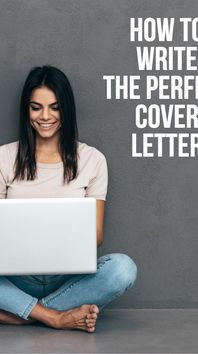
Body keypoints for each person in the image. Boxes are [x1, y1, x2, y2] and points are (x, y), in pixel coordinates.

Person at [0, 65, 137, 332]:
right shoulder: (4, 157)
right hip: (15, 277)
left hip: (67, 277)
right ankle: (54, 316)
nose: (45, 116)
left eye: (55, 107)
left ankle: (23, 312)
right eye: (36, 107)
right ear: (26, 111)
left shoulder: (92, 160)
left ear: (66, 109)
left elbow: (95, 235)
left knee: (123, 268)